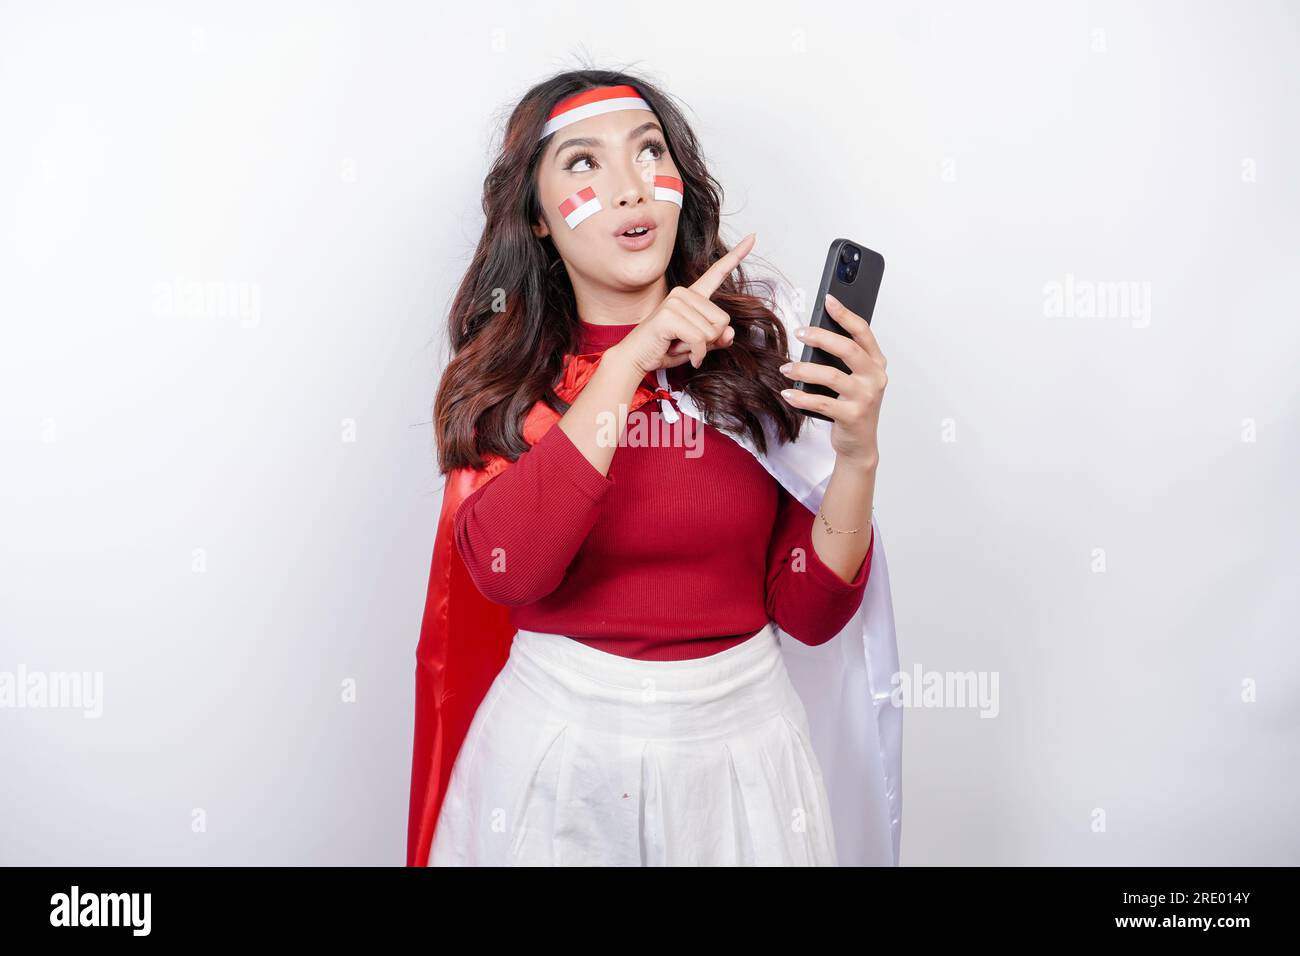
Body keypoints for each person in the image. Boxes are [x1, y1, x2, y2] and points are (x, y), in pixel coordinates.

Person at [407, 69, 900, 867]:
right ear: (534, 217)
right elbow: (511, 569)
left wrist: (856, 457)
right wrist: (629, 361)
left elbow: (810, 615)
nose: (631, 186)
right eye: (583, 163)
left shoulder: (754, 367)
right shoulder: (509, 385)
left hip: (745, 768)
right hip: (555, 772)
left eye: (649, 152)